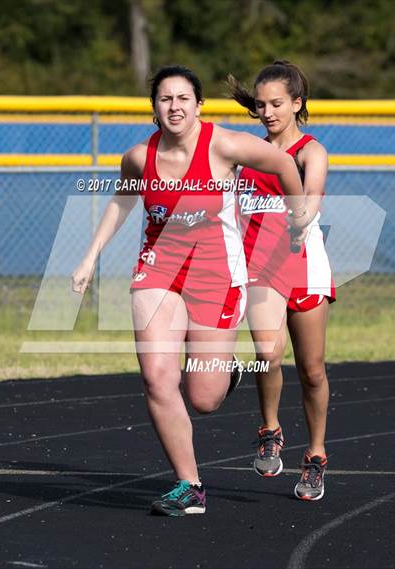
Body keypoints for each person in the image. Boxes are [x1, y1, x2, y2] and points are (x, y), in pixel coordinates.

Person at [72, 64, 305, 516]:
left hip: (215, 274)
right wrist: (89, 256)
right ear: (154, 108)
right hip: (158, 269)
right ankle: (190, 486)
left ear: (198, 105)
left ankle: (228, 370)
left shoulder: (224, 145)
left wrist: (300, 212)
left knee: (203, 397)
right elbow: (122, 200)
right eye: (165, 99)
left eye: (183, 98)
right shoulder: (140, 156)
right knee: (158, 376)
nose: (174, 107)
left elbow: (280, 163)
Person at [229, 60, 335, 500]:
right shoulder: (246, 154)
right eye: (260, 105)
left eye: (276, 103)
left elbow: (310, 204)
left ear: (297, 103)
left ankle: (315, 454)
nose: (268, 112)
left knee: (312, 371)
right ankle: (270, 427)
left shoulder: (311, 151)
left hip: (304, 265)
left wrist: (300, 216)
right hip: (261, 270)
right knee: (267, 353)